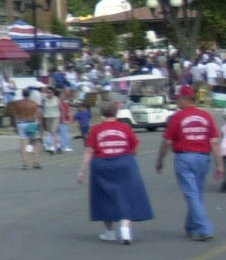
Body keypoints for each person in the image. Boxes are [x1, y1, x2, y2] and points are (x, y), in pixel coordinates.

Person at [80, 98, 152, 245]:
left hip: (102, 164)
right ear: (116, 112)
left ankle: (109, 232)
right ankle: (125, 228)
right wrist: (132, 154)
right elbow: (135, 145)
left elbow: (89, 151)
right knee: (127, 194)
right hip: (124, 161)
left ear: (102, 113)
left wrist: (82, 170)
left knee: (104, 196)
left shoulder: (96, 129)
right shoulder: (124, 127)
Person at [157, 89, 220, 241]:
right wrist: (219, 164)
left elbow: (167, 142)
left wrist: (160, 160)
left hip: (184, 157)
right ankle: (191, 226)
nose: (177, 102)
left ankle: (204, 228)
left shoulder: (178, 117)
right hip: (203, 158)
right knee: (196, 193)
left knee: (192, 194)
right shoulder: (206, 116)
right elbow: (214, 142)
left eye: (179, 99)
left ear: (185, 99)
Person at [8, 89, 40, 168]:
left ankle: (25, 163)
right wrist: (39, 126)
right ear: (29, 94)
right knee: (35, 142)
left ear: (22, 94)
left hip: (21, 123)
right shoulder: (34, 103)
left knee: (23, 144)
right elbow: (37, 116)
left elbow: (15, 115)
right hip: (31, 123)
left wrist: (15, 126)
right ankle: (35, 162)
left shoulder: (18, 103)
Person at [39, 84, 64, 153]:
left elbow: (61, 109)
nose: (49, 94)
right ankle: (58, 146)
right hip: (47, 117)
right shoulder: (44, 99)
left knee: (53, 131)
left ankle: (53, 147)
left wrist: (62, 117)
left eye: (51, 92)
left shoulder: (57, 99)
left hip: (55, 117)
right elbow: (42, 108)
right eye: (48, 92)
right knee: (51, 132)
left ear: (53, 93)